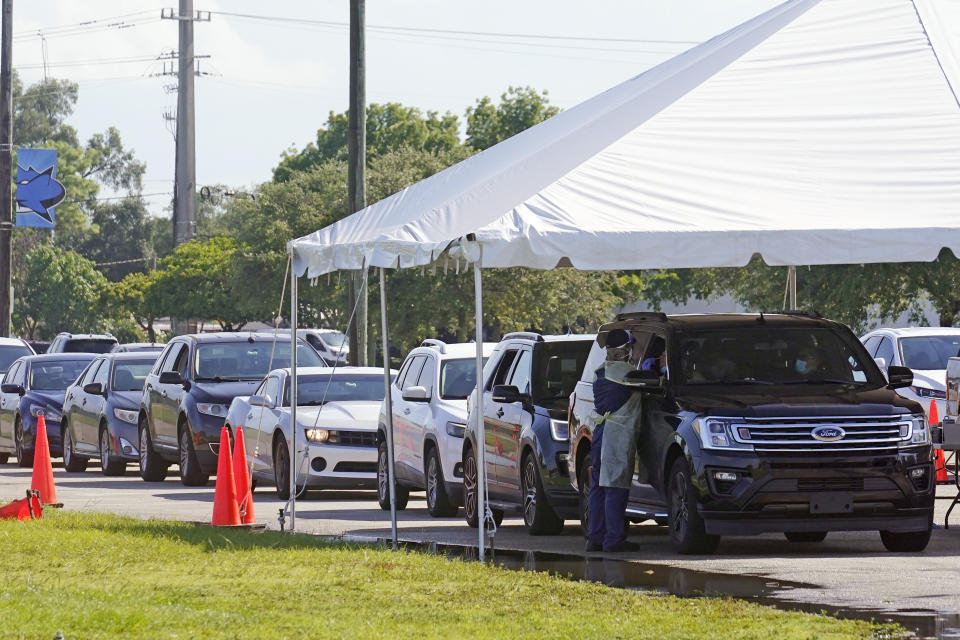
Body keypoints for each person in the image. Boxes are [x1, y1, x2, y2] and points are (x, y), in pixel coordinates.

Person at [586, 329, 644, 553]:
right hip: (617, 436)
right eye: (629, 347)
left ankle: (595, 538)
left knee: (598, 487)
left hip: (600, 432)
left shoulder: (599, 371)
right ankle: (614, 540)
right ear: (624, 350)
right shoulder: (627, 373)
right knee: (615, 487)